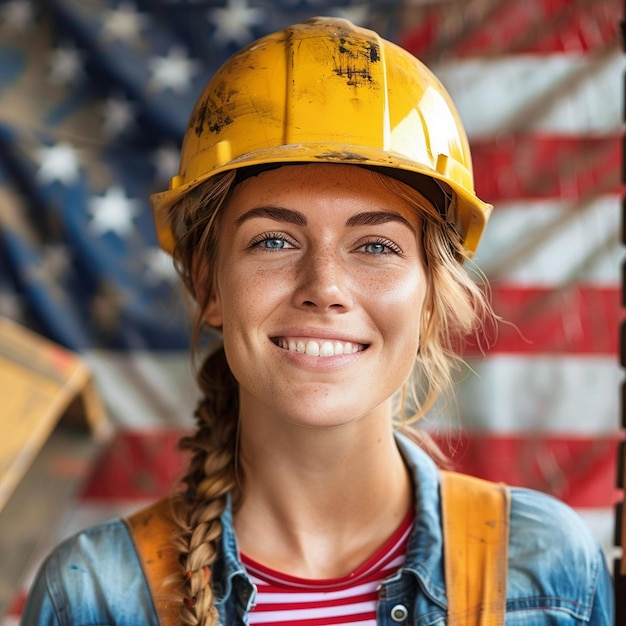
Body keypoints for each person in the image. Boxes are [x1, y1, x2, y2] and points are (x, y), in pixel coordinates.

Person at [21, 17, 613, 626]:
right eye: (274, 241)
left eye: (376, 246)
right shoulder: (94, 594)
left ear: (431, 295)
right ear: (208, 283)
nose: (324, 288)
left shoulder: (546, 573)